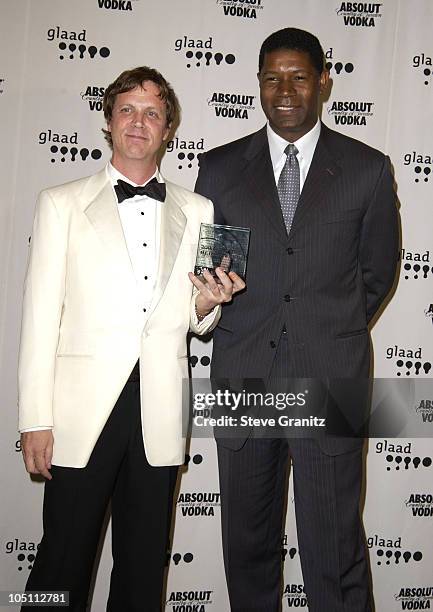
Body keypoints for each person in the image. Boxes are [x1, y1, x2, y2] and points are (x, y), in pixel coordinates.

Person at [18, 66, 243, 612]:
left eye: (152, 113)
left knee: (143, 566)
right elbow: (40, 317)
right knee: (61, 560)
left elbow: (192, 317)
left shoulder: (198, 210)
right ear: (109, 120)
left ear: (169, 129)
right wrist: (34, 420)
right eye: (127, 110)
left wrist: (209, 303)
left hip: (159, 409)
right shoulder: (60, 203)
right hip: (80, 414)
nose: (139, 123)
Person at [195, 28, 399, 612]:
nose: (284, 91)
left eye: (299, 77)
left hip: (329, 379)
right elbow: (217, 270)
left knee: (334, 553)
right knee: (248, 550)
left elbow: (375, 276)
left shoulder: (366, 169)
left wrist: (323, 330)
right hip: (244, 380)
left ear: (324, 82)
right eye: (271, 78)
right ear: (258, 84)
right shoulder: (220, 169)